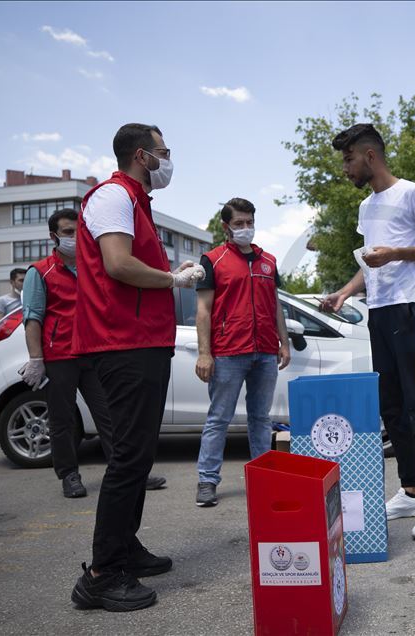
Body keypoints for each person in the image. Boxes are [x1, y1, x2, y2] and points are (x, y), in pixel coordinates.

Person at [69, 123, 205, 612]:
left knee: (140, 453)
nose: (170, 160)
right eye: (165, 151)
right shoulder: (112, 196)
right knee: (128, 457)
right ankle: (102, 574)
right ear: (143, 156)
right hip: (120, 343)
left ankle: (125, 548)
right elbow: (118, 265)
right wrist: (173, 279)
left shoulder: (137, 203)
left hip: (142, 342)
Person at [321, 123, 415, 540]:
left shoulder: (412, 192)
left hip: (408, 308)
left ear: (370, 156)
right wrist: (345, 292)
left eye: (348, 160)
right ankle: (412, 490)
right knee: (392, 405)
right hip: (378, 311)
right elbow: (370, 262)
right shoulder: (366, 208)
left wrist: (396, 252)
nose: (345, 169)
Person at [19, 208, 166, 498]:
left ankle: (128, 473)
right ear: (54, 236)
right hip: (59, 356)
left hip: (93, 352)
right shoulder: (41, 272)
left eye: (78, 231)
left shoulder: (93, 266)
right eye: (67, 232)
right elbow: (32, 318)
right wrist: (37, 359)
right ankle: (69, 476)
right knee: (62, 421)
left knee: (111, 417)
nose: (74, 237)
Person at [193, 197, 291, 507]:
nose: (245, 228)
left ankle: (262, 478)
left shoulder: (268, 261)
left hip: (264, 351)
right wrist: (204, 353)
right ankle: (207, 481)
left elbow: (275, 305)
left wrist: (283, 342)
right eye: (239, 224)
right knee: (218, 419)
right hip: (228, 352)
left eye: (249, 223)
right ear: (226, 227)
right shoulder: (212, 260)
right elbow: (203, 310)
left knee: (260, 419)